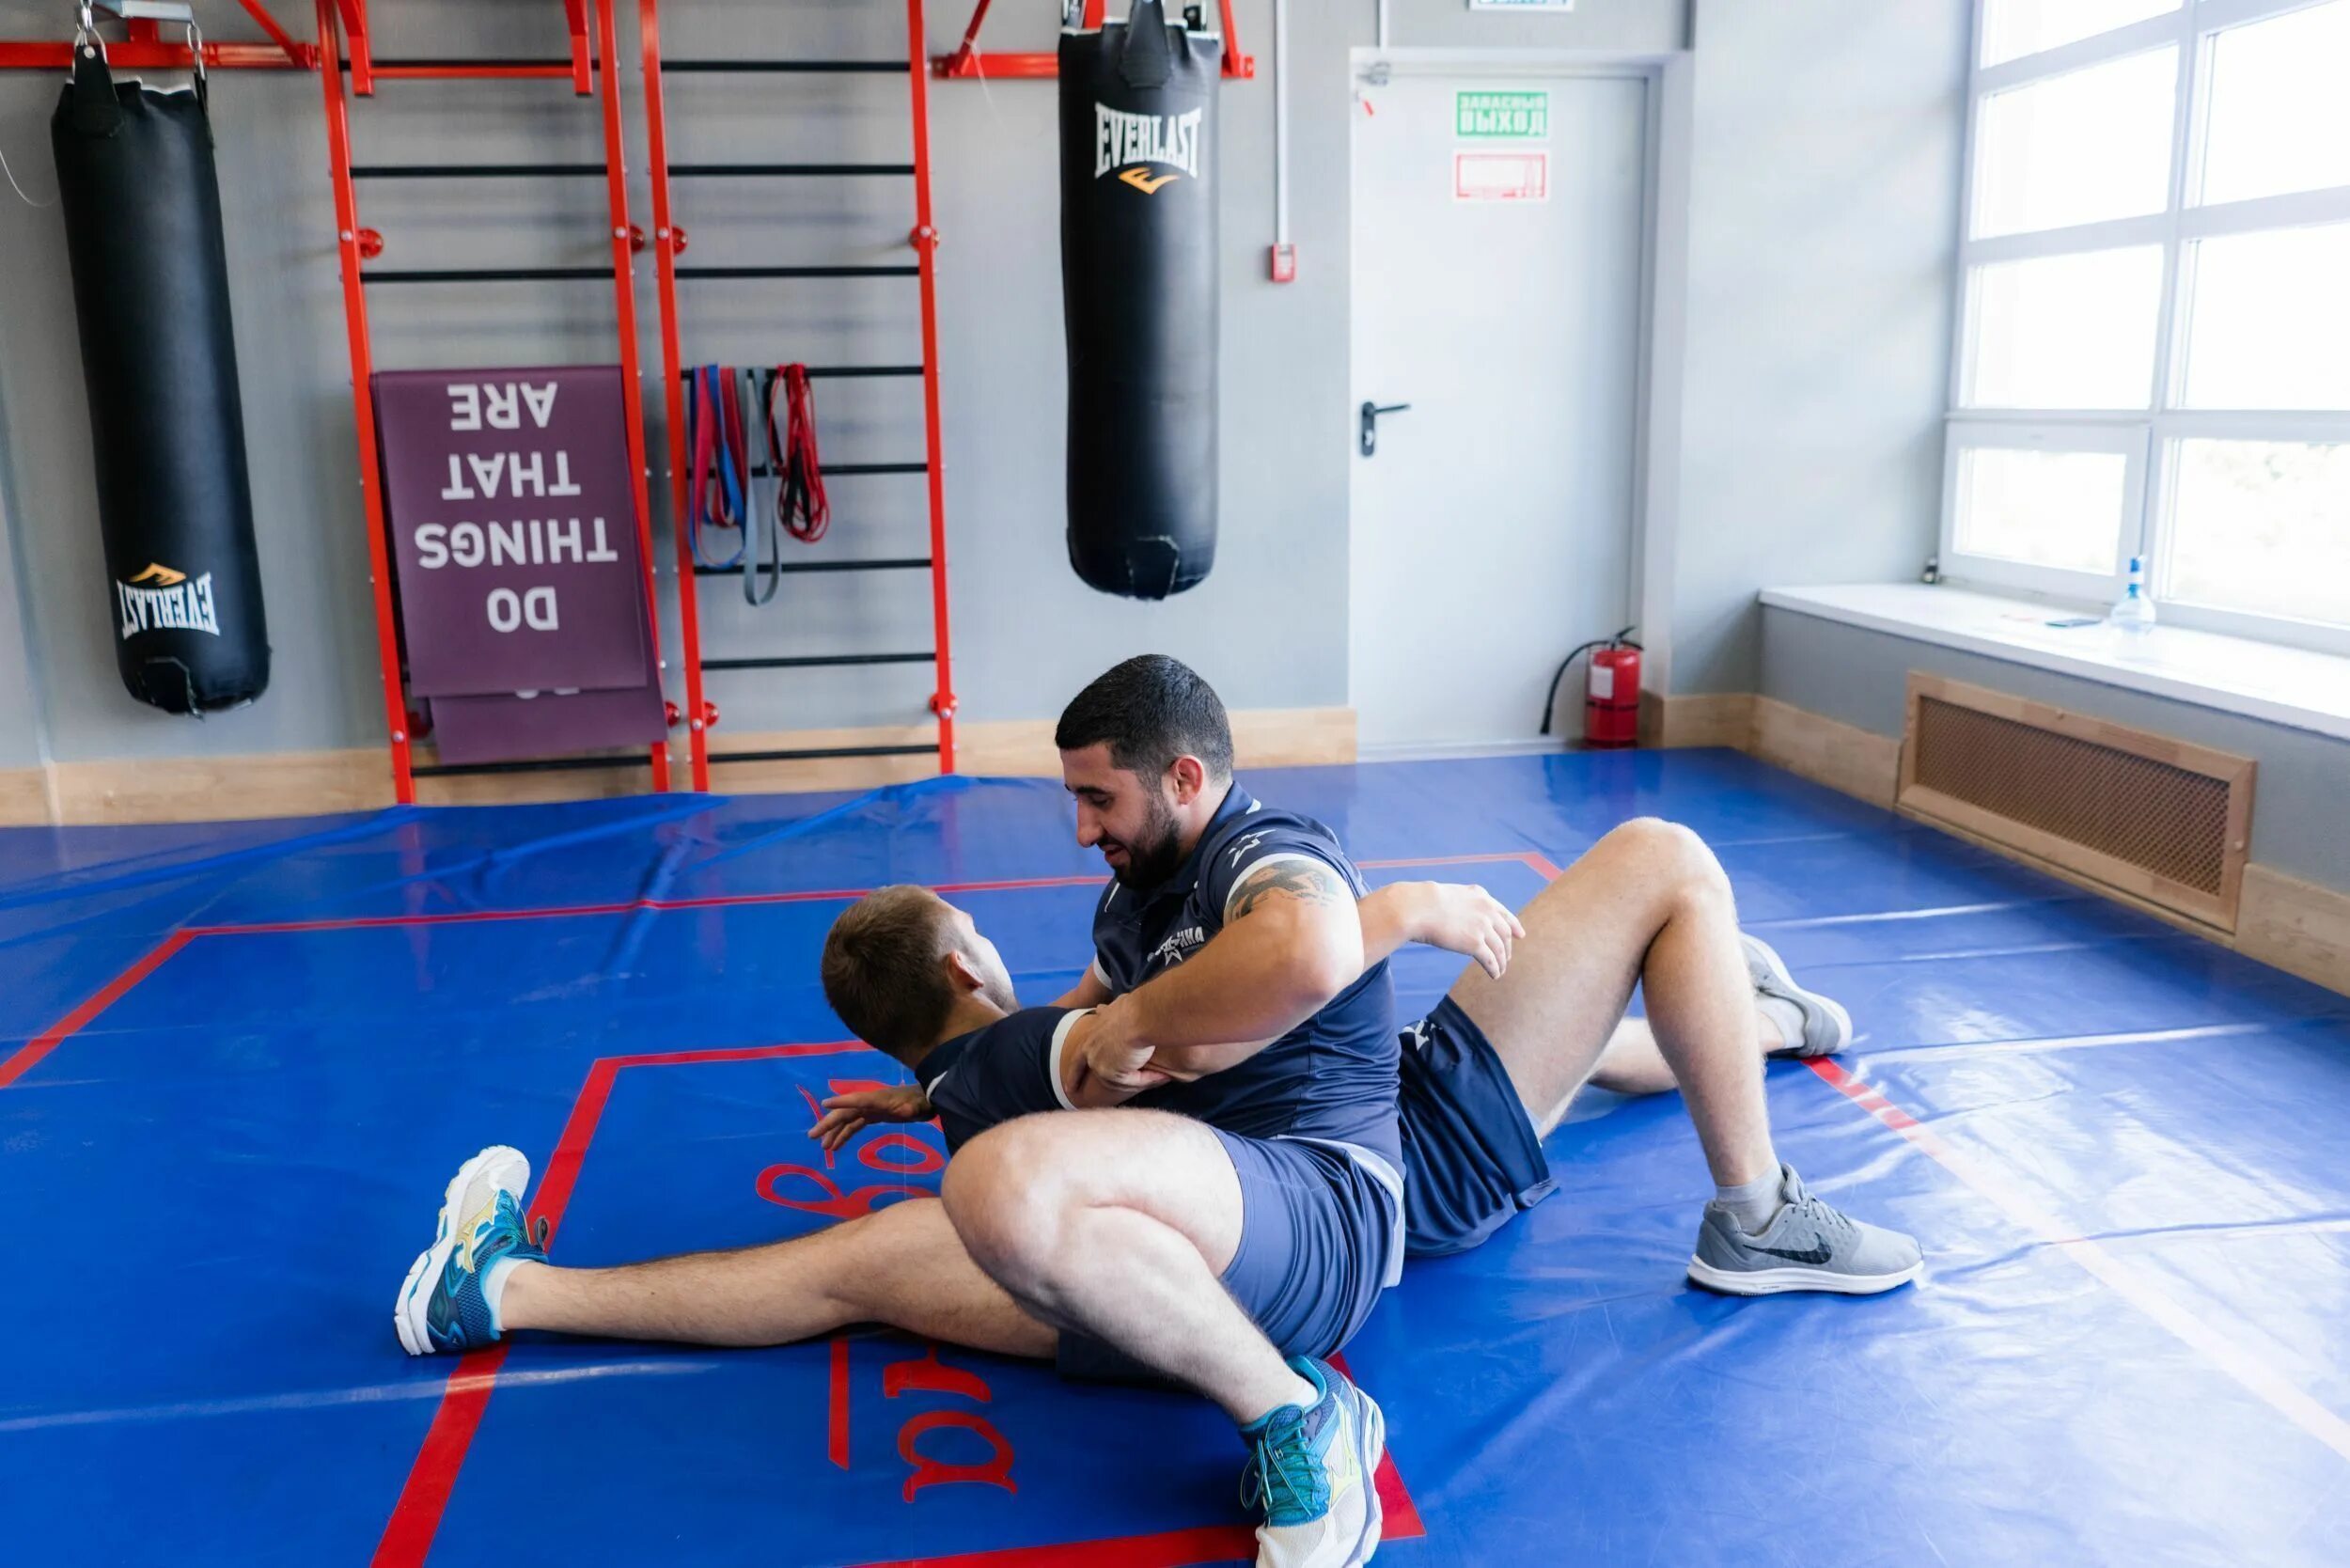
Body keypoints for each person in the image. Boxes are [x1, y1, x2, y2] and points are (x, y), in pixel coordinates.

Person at [400, 657, 1408, 1568]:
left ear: (1182, 778)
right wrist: (1402, 914)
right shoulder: (1090, 957)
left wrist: (946, 1086)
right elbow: (1106, 1038)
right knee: (884, 1248)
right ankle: (499, 1292)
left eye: (1097, 800)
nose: (1081, 829)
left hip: (1312, 1217)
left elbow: (1235, 984)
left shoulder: (1258, 852)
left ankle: (1296, 1414)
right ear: (967, 966)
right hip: (1177, 1277)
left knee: (973, 1200)